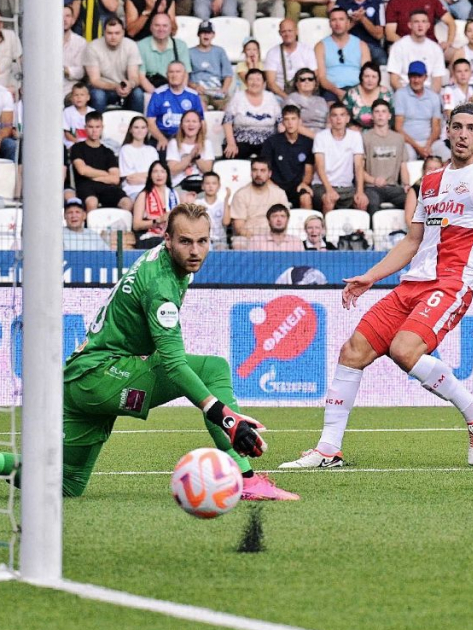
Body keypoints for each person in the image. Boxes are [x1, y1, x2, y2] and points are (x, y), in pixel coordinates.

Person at [279, 102, 473, 469]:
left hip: (452, 283)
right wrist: (371, 276)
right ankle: (329, 449)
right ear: (447, 131)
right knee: (352, 351)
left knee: (404, 350)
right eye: (458, 126)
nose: (463, 134)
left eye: (472, 128)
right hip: (413, 283)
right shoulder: (431, 181)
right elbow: (412, 241)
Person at [0, 204, 298, 501]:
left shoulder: (167, 262)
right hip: (103, 376)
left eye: (202, 241)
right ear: (167, 239)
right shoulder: (161, 287)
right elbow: (174, 365)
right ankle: (245, 479)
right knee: (213, 369)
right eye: (185, 241)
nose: (195, 251)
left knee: (67, 482)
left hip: (81, 381)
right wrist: (226, 418)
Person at [72, 111, 133, 213]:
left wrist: (92, 175)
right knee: (92, 202)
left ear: (102, 128)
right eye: (90, 127)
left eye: (97, 127)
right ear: (85, 128)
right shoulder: (77, 148)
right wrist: (105, 173)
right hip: (85, 187)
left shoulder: (108, 152)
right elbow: (82, 170)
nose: (94, 130)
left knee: (127, 203)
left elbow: (115, 179)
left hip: (107, 188)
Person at [313, 101, 365, 212]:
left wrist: (360, 192)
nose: (338, 119)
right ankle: (325, 224)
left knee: (362, 202)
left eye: (342, 115)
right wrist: (329, 190)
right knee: (329, 200)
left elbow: (359, 166)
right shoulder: (320, 137)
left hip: (347, 186)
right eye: (334, 115)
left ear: (347, 118)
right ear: (330, 119)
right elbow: (319, 166)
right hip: (323, 185)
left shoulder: (355, 136)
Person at [260, 104, 315, 209]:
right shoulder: (271, 142)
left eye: (293, 119)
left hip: (297, 186)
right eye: (287, 119)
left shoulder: (308, 143)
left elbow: (309, 171)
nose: (290, 123)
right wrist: (272, 186)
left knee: (306, 198)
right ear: (282, 122)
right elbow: (264, 168)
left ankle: (309, 220)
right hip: (275, 186)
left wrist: (304, 183)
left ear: (300, 121)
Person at [362, 98, 411, 216]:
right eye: (377, 112)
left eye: (383, 111)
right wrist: (374, 180)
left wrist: (406, 184)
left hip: (393, 186)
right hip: (371, 187)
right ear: (372, 116)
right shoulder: (365, 138)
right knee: (372, 203)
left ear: (389, 116)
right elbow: (359, 169)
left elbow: (403, 166)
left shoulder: (398, 138)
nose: (380, 115)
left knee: (412, 201)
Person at [230, 156, 291, 247]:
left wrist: (270, 238)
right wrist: (259, 240)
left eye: (262, 171)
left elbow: (285, 220)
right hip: (248, 237)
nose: (258, 174)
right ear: (251, 173)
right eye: (255, 170)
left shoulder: (279, 193)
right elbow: (239, 227)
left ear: (269, 174)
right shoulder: (241, 194)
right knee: (238, 243)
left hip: (274, 236)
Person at [223, 69, 282, 159]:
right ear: (246, 82)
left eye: (258, 79)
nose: (254, 83)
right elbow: (227, 121)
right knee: (231, 154)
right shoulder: (238, 97)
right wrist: (231, 143)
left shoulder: (270, 97)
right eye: (251, 79)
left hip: (267, 140)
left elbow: (280, 122)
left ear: (264, 83)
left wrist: (283, 143)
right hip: (241, 140)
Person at [145, 61, 204, 151]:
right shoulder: (158, 94)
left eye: (178, 72)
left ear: (184, 75)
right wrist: (161, 138)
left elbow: (201, 122)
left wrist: (198, 141)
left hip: (186, 136)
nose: (174, 75)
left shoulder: (193, 95)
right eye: (171, 72)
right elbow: (150, 122)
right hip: (163, 135)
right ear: (166, 75)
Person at [335, 0, 387, 67]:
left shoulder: (377, 2)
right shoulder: (341, 2)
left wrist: (363, 19)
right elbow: (337, 31)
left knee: (382, 60)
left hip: (372, 45)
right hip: (348, 45)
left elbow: (379, 34)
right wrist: (353, 21)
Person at [387, 10, 447, 91]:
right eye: (416, 22)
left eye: (423, 21)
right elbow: (394, 80)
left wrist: (429, 96)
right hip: (404, 91)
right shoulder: (399, 46)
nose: (420, 25)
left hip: (428, 93)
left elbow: (437, 81)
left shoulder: (436, 49)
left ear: (428, 25)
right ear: (410, 25)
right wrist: (406, 96)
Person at [395, 61, 444, 160]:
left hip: (429, 142)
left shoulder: (434, 96)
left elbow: (436, 127)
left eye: (419, 76)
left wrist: (428, 145)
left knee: (446, 155)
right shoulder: (400, 95)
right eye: (413, 76)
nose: (416, 80)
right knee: (408, 157)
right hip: (408, 142)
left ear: (425, 77)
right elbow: (398, 127)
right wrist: (418, 148)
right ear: (408, 77)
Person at [264, 18, 317, 99]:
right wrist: (288, 99)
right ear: (279, 33)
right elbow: (271, 83)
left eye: (290, 31)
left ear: (297, 31)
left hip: (304, 94)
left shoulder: (307, 51)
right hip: (280, 95)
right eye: (284, 31)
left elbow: (314, 77)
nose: (287, 34)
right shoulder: (272, 53)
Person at [132, 160, 179, 248]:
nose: (159, 175)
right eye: (155, 171)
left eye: (162, 171)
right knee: (165, 244)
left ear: (167, 174)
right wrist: (158, 220)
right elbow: (136, 225)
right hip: (149, 237)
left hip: (169, 236)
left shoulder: (173, 194)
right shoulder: (143, 195)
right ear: (150, 175)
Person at [189, 20, 234, 110]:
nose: (206, 35)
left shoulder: (219, 51)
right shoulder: (189, 52)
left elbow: (228, 74)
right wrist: (194, 86)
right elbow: (184, 77)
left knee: (229, 109)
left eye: (209, 33)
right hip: (199, 91)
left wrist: (224, 89)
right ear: (198, 35)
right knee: (200, 107)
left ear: (213, 35)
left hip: (217, 90)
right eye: (203, 32)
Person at [166, 109, 214, 189]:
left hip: (202, 185)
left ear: (200, 125)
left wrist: (197, 157)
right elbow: (172, 170)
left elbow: (208, 170)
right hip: (180, 185)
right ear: (182, 125)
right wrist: (190, 156)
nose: (191, 124)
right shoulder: (174, 143)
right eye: (187, 121)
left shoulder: (207, 143)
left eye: (194, 121)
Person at [119, 115, 160, 199]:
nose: (140, 131)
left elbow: (157, 174)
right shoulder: (125, 149)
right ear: (130, 130)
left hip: (153, 190)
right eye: (136, 127)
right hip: (133, 191)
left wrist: (142, 178)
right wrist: (150, 176)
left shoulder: (152, 150)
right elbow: (130, 178)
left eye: (143, 127)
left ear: (147, 130)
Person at [287, 67, 331, 138]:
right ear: (297, 84)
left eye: (310, 79)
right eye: (302, 79)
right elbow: (294, 125)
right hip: (304, 137)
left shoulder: (321, 100)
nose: (307, 81)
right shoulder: (292, 98)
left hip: (324, 136)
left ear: (315, 82)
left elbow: (329, 121)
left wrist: (328, 137)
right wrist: (318, 138)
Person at [194, 171, 231, 249]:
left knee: (221, 250)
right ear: (202, 186)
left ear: (219, 186)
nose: (210, 186)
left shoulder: (223, 204)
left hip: (220, 240)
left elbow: (226, 222)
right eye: (207, 183)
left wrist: (226, 200)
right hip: (202, 240)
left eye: (214, 183)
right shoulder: (197, 203)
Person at [63, 6, 88, 101]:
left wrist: (65, 70)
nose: (64, 20)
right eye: (60, 16)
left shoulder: (80, 42)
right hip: (47, 88)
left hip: (70, 90)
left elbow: (81, 72)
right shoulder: (45, 42)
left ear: (73, 20)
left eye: (67, 16)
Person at [63, 82, 95, 151]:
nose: (79, 97)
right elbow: (67, 133)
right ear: (71, 98)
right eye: (76, 95)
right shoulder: (67, 112)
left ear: (88, 97)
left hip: (89, 143)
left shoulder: (92, 112)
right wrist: (78, 143)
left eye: (82, 95)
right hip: (72, 142)